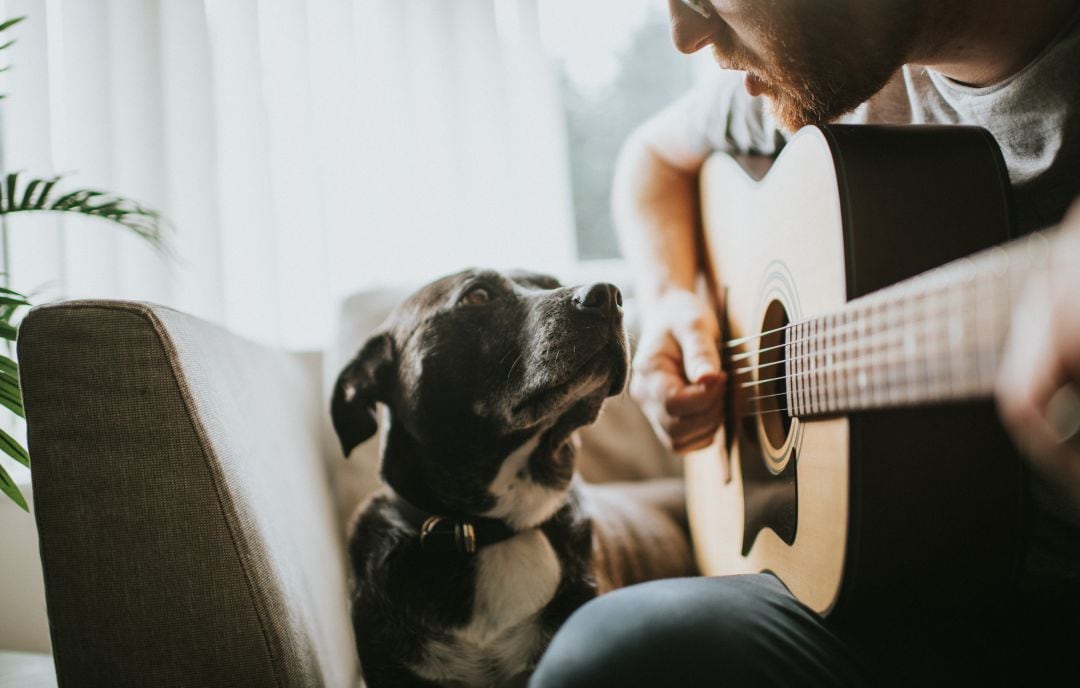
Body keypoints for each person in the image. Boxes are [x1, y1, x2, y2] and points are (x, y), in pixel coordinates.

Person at [530, 0, 1080, 684]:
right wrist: (672, 297)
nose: (685, 34)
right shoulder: (833, 71)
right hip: (891, 599)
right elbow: (651, 160)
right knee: (609, 656)